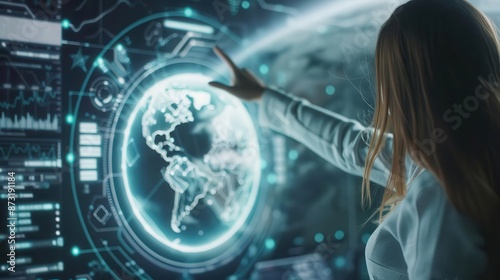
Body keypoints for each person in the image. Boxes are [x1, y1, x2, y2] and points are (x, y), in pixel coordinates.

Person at [209, 0, 500, 279]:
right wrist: (264, 97)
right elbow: (351, 144)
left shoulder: (437, 189)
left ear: (410, 86)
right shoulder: (459, 162)